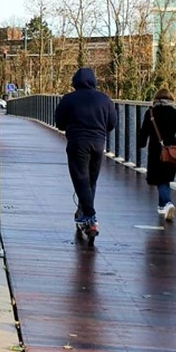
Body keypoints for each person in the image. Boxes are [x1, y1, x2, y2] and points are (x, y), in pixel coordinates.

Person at [54, 67, 118, 235]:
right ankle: (83, 213)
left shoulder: (69, 99)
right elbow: (112, 123)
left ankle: (90, 215)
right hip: (98, 144)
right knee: (91, 180)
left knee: (80, 178)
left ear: (75, 82)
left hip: (77, 143)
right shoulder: (105, 99)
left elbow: (59, 122)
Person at [137, 88, 176, 221]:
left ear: (156, 99)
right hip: (172, 151)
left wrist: (141, 144)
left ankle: (167, 203)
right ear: (170, 99)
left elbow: (143, 132)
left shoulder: (151, 113)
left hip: (155, 150)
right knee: (164, 179)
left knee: (160, 180)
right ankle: (161, 206)